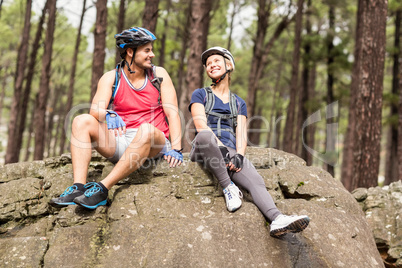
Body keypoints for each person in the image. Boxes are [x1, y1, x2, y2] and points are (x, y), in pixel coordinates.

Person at [50, 27, 183, 210]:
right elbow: (95, 110)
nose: (151, 55)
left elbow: (172, 113)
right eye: (147, 50)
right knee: (81, 121)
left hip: (153, 142)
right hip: (122, 141)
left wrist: (176, 148)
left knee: (145, 129)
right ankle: (78, 188)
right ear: (130, 51)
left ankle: (103, 188)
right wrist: (108, 114)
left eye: (151, 50)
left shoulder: (158, 75)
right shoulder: (112, 77)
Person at [188, 46, 309, 237]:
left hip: (229, 151)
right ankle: (229, 188)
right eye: (208, 64)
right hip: (205, 148)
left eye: (216, 61)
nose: (211, 65)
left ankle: (277, 219)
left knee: (256, 181)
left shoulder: (239, 103)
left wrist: (239, 157)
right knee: (204, 136)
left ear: (229, 65)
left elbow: (241, 134)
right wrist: (220, 148)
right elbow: (200, 125)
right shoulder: (200, 94)